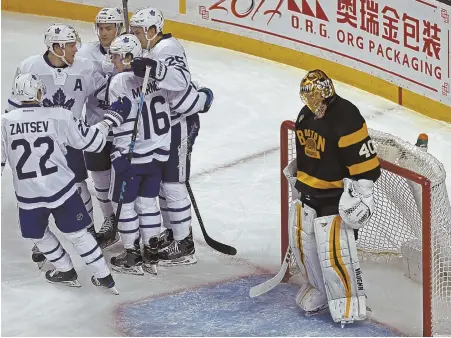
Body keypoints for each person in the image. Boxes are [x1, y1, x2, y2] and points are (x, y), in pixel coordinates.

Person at [1, 73, 117, 294]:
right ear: (37, 92)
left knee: (37, 234)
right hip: (62, 190)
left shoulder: (4, 122)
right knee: (79, 234)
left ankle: (64, 269)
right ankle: (104, 276)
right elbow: (92, 142)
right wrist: (108, 122)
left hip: (29, 195)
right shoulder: (59, 115)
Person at [284, 69, 381, 326]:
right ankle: (319, 289)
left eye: (314, 95)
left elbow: (363, 162)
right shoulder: (305, 115)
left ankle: (349, 301)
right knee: (305, 246)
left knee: (336, 253)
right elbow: (307, 157)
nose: (310, 100)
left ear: (325, 92)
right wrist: (299, 185)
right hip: (310, 193)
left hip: (336, 197)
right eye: (307, 95)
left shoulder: (346, 116)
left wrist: (365, 195)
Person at [10, 23, 108, 264]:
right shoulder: (29, 66)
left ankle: (88, 229)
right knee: (38, 189)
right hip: (39, 141)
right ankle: (42, 240)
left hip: (71, 138)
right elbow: (15, 108)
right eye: (72, 44)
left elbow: (105, 95)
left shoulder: (85, 67)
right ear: (57, 47)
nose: (77, 48)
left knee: (78, 183)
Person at [129, 7, 214, 266]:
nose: (134, 35)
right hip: (165, 126)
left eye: (137, 31)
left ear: (152, 30)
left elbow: (179, 80)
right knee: (165, 185)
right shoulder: (152, 48)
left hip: (181, 124)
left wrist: (153, 67)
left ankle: (184, 243)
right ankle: (174, 232)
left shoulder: (167, 49)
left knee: (173, 184)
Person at [105, 34, 172, 275]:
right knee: (147, 203)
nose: (111, 60)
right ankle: (151, 252)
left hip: (133, 157)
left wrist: (118, 154)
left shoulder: (119, 82)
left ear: (126, 57)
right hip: (157, 156)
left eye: (114, 55)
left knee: (124, 204)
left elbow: (121, 121)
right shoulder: (159, 76)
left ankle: (132, 255)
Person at [77, 7, 125, 248]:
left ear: (119, 28)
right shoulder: (85, 54)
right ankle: (109, 222)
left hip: (124, 132)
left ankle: (134, 228)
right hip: (95, 128)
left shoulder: (131, 51)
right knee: (100, 183)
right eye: (101, 28)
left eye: (109, 28)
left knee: (126, 186)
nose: (103, 33)